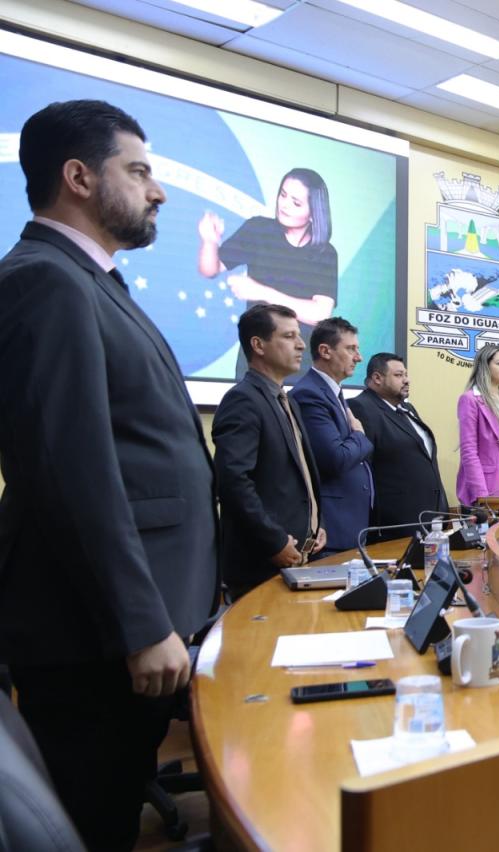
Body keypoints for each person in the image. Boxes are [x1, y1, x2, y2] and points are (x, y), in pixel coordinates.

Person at [0, 99, 218, 851]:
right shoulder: (44, 280)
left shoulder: (92, 282)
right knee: (90, 825)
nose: (159, 191)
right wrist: (143, 624)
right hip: (97, 635)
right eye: (139, 171)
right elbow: (73, 472)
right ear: (79, 177)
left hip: (127, 623)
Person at [213, 305, 326, 597]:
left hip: (299, 559)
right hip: (261, 565)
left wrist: (316, 524)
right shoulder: (243, 400)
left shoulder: (288, 402)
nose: (301, 345)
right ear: (258, 345)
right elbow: (233, 482)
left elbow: (297, 474)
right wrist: (274, 541)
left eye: (299, 335)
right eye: (289, 336)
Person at [197, 167, 338, 372]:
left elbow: (320, 313)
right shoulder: (258, 229)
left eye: (296, 202)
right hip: (256, 356)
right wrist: (209, 241)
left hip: (300, 360)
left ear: (313, 213)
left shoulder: (325, 253)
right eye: (283, 195)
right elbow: (210, 270)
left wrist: (261, 292)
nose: (284, 205)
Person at [290, 317, 374, 554]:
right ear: (325, 351)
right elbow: (335, 458)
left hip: (352, 524)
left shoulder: (333, 391)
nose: (358, 357)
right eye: (351, 349)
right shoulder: (309, 394)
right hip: (333, 529)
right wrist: (360, 436)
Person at [348, 353, 448, 534]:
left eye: (406, 375)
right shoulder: (361, 407)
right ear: (377, 378)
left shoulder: (407, 408)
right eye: (398, 375)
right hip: (396, 521)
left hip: (430, 514)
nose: (406, 380)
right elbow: (364, 465)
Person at [458, 344, 499, 506]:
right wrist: (481, 494)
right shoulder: (470, 399)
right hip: (486, 482)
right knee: (488, 523)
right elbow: (469, 451)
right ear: (485, 366)